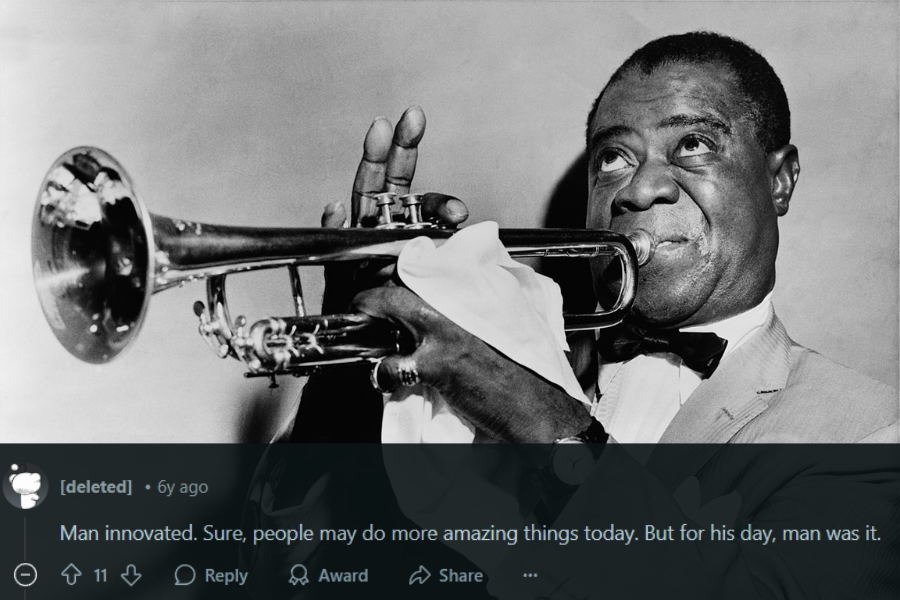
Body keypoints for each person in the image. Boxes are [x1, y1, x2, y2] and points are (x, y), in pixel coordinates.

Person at [252, 32, 897, 599]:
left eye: (694, 144)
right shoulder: (513, 343)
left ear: (779, 180)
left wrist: (538, 414)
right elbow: (289, 564)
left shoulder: (866, 431)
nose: (640, 188)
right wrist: (346, 385)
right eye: (612, 158)